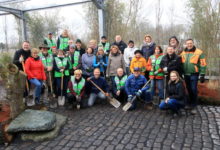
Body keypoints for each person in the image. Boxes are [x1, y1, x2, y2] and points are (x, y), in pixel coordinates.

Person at [180, 39, 207, 114]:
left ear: (193, 43)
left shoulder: (199, 52)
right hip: (186, 74)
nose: (189, 45)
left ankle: (194, 105)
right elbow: (181, 63)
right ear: (186, 44)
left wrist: (202, 74)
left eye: (190, 43)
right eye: (188, 43)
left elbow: (203, 63)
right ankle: (189, 103)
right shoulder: (183, 52)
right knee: (188, 89)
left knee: (193, 89)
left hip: (194, 74)